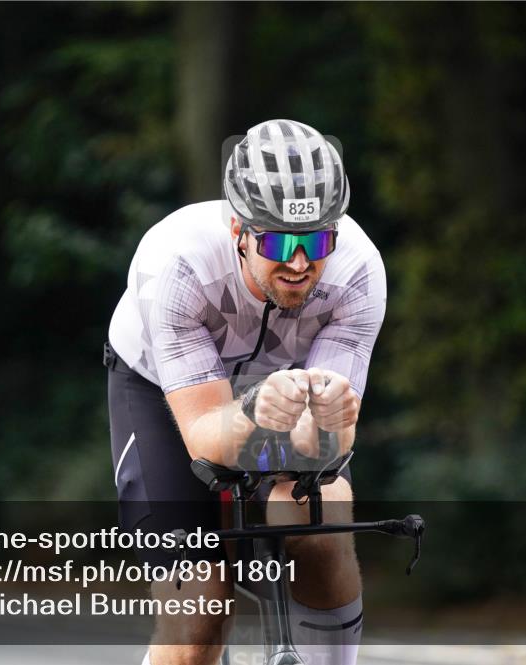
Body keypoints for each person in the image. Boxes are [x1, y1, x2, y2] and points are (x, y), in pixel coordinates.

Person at [105, 119, 386, 665]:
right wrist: (256, 409)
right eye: (280, 241)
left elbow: (325, 445)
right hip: (164, 390)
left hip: (286, 384)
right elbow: (207, 438)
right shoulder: (177, 263)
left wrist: (327, 425)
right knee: (199, 610)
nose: (300, 263)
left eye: (318, 240)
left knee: (321, 523)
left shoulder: (358, 271)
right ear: (238, 227)